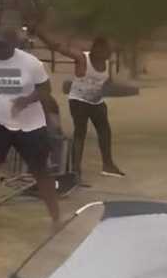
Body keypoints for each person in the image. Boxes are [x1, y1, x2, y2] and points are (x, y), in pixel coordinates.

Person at [0, 25, 60, 231]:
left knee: (39, 169)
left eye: (2, 45)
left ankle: (56, 217)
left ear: (14, 45)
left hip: (29, 124)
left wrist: (27, 100)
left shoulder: (31, 63)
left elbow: (46, 89)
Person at [34, 26, 124, 178]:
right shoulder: (83, 58)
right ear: (97, 49)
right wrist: (40, 32)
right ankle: (76, 168)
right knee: (80, 133)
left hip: (96, 102)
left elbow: (107, 82)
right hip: (79, 101)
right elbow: (58, 47)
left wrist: (103, 91)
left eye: (110, 51)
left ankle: (107, 165)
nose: (109, 54)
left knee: (105, 131)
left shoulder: (107, 63)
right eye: (107, 51)